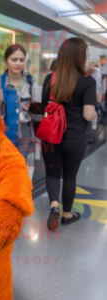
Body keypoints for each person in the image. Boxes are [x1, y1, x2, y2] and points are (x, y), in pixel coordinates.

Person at [42, 37, 97, 230]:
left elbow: (44, 108)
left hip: (51, 137)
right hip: (75, 138)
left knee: (52, 174)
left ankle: (54, 207)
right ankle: (67, 214)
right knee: (70, 177)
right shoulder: (88, 81)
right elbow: (88, 114)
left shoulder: (51, 78)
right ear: (80, 56)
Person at [0, 44, 40, 179]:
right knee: (5, 170)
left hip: (26, 134)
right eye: (14, 59)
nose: (18, 63)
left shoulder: (30, 82)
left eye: (21, 60)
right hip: (5, 134)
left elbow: (36, 111)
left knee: (21, 171)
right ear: (6, 61)